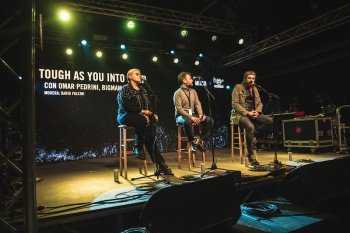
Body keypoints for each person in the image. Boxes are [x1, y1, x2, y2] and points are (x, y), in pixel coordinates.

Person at [117, 68, 173, 175]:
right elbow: (125, 106)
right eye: (137, 74)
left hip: (142, 118)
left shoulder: (143, 89)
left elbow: (149, 105)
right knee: (143, 121)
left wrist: (152, 113)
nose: (140, 75)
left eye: (140, 74)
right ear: (130, 77)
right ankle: (138, 146)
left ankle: (161, 165)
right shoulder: (125, 89)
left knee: (151, 139)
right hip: (126, 115)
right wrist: (141, 112)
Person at [231, 71, 273, 166]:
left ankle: (254, 137)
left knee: (270, 121)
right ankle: (251, 155)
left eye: (253, 78)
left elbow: (260, 103)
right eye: (249, 78)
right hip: (241, 115)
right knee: (250, 127)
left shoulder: (255, 89)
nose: (251, 80)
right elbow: (235, 104)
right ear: (245, 78)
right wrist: (247, 113)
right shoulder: (237, 87)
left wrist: (257, 112)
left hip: (253, 113)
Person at [173, 72, 214, 152]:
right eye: (190, 78)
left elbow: (197, 103)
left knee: (209, 120)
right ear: (184, 80)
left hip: (192, 114)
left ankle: (200, 141)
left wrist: (200, 114)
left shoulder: (193, 91)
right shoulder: (177, 93)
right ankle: (192, 142)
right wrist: (191, 117)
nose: (192, 80)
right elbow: (179, 109)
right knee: (187, 121)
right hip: (181, 116)